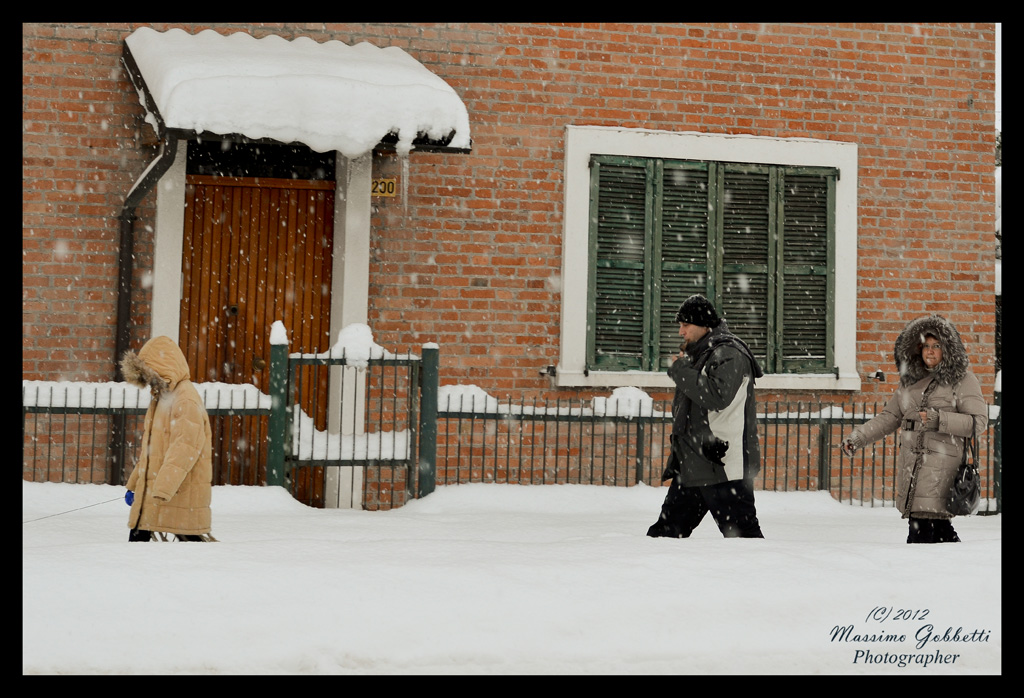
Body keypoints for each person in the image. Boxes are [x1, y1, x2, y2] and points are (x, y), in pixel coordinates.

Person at [841, 315, 987, 543]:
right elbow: (889, 417)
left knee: (926, 535)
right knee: (932, 536)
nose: (930, 351)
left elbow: (978, 422)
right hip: (913, 470)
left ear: (947, 348)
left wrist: (939, 420)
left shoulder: (963, 379)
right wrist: (858, 437)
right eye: (926, 346)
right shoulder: (910, 382)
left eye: (936, 346)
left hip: (942, 471)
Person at [647, 295, 765, 539]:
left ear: (703, 325)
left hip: (722, 465)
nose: (680, 332)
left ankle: (767, 577)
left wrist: (681, 371)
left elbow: (717, 396)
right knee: (665, 536)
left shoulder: (729, 353)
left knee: (745, 540)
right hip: (694, 462)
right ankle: (653, 577)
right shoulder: (704, 354)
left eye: (685, 325)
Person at [120, 336, 215, 542]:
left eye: (151, 375)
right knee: (140, 542)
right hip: (161, 491)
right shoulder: (163, 397)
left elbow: (185, 449)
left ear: (164, 368)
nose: (150, 384)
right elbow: (151, 451)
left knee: (187, 548)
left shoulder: (185, 399)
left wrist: (162, 487)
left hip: (179, 491)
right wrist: (135, 484)